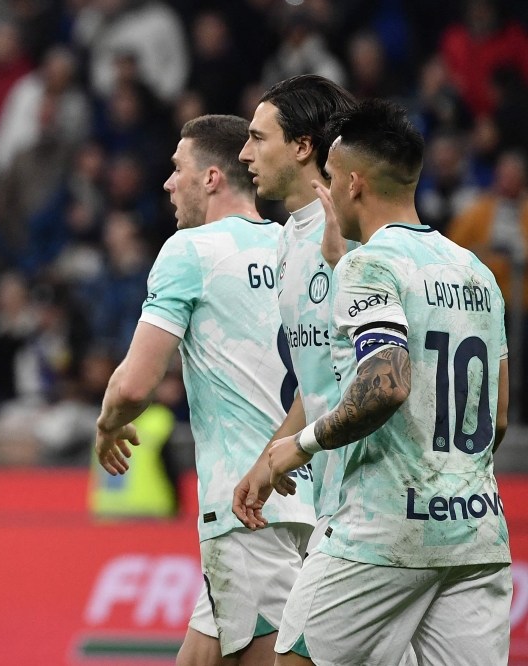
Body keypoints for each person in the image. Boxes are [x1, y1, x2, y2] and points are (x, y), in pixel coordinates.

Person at [264, 99, 511, 666]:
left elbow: (387, 383)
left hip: (380, 533)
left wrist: (296, 447)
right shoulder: (475, 271)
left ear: (352, 183)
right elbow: (496, 417)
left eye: (327, 178)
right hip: (475, 534)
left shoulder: (369, 264)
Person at [94, 115, 315, 666]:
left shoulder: (191, 250)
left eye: (176, 170)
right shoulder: (300, 247)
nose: (167, 184)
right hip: (310, 494)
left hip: (246, 505)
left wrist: (107, 423)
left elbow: (135, 384)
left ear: (212, 177)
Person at [234, 75, 357, 561]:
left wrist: (296, 448)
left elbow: (379, 370)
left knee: (295, 641)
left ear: (303, 146)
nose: (245, 154)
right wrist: (269, 459)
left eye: (258, 138)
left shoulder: (355, 233)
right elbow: (322, 376)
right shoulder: (286, 240)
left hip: (373, 499)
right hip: (334, 497)